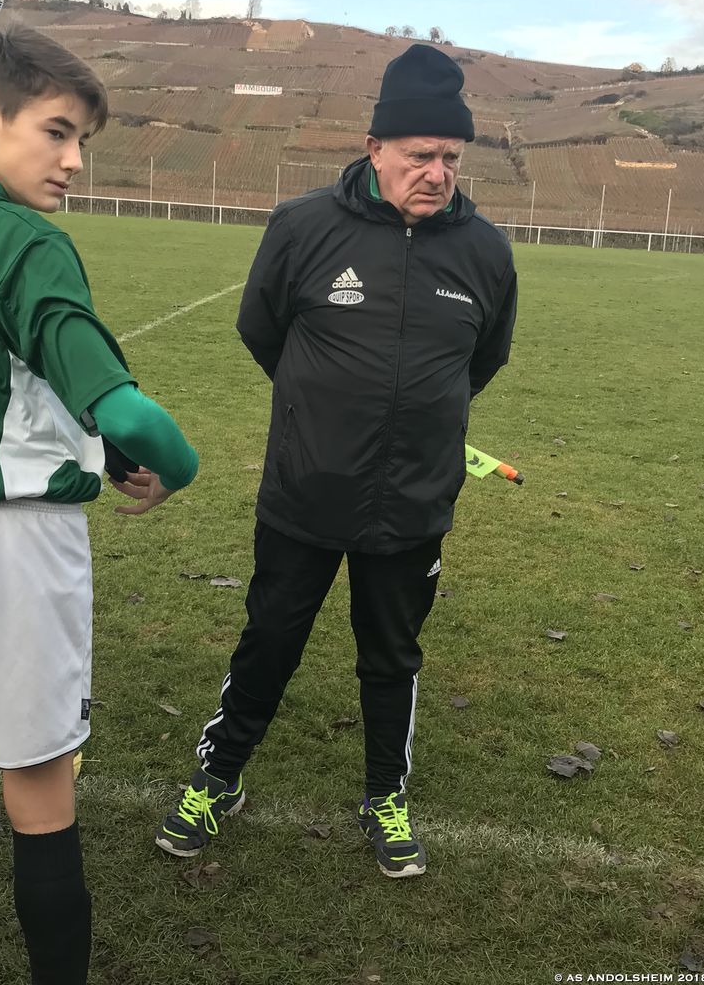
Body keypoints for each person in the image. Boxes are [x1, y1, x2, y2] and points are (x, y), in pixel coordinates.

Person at [157, 44, 517, 878]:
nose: (437, 173)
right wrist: (320, 412)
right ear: (375, 147)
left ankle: (385, 795)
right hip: (306, 489)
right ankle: (219, 776)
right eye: (420, 155)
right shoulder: (303, 226)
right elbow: (262, 331)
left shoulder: (486, 251)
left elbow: (483, 361)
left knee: (392, 656)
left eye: (451, 158)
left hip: (415, 499)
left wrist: (420, 420)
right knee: (270, 639)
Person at [0, 26, 198, 985]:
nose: (74, 162)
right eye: (56, 132)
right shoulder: (24, 240)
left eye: (81, 140)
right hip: (14, 545)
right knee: (40, 790)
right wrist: (177, 467)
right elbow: (126, 411)